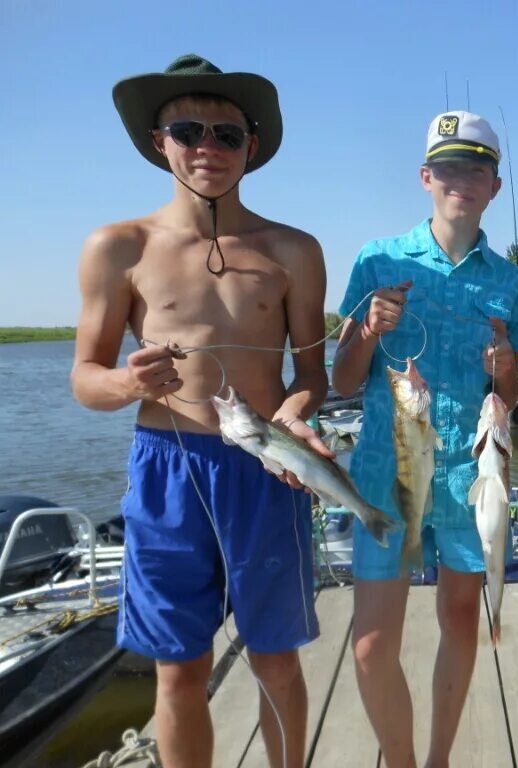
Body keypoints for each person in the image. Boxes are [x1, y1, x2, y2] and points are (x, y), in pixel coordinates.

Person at [71, 54, 328, 768]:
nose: (208, 148)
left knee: (277, 659)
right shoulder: (118, 247)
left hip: (268, 467)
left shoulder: (294, 251)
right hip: (166, 472)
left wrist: (299, 418)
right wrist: (127, 384)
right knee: (179, 668)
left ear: (253, 144)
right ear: (161, 142)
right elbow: (86, 379)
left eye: (227, 134)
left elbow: (311, 375)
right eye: (189, 131)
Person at [332, 110, 518, 768]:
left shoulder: (510, 283)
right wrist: (366, 330)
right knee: (370, 646)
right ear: (425, 177)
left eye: (477, 168)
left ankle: (440, 758)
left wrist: (504, 364)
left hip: (470, 481)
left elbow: (511, 391)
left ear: (495, 186)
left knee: (461, 621)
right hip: (385, 474)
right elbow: (341, 379)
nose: (462, 180)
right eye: (449, 167)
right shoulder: (379, 260)